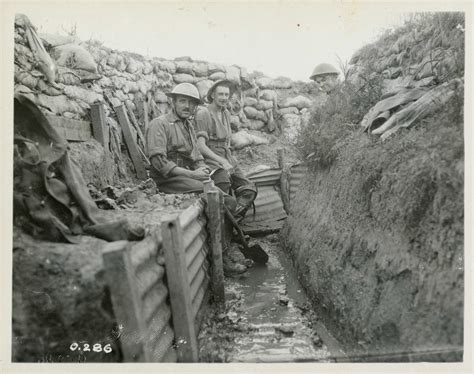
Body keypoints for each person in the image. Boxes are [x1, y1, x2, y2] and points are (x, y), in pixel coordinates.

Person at [145, 82, 247, 275]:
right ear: (172, 102)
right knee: (219, 200)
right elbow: (159, 163)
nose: (187, 107)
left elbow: (196, 157)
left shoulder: (188, 126)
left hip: (188, 176)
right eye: (182, 101)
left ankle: (225, 248)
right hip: (168, 180)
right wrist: (193, 174)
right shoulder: (160, 124)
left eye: (191, 103)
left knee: (227, 196)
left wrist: (203, 169)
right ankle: (221, 258)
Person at [194, 79, 257, 222]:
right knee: (223, 185)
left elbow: (227, 141)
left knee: (249, 188)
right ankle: (221, 230)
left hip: (225, 156)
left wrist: (229, 159)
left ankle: (233, 222)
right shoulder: (203, 113)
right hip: (209, 158)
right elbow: (200, 146)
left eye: (226, 95)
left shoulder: (226, 113)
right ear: (212, 95)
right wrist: (221, 161)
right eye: (220, 94)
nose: (223, 98)